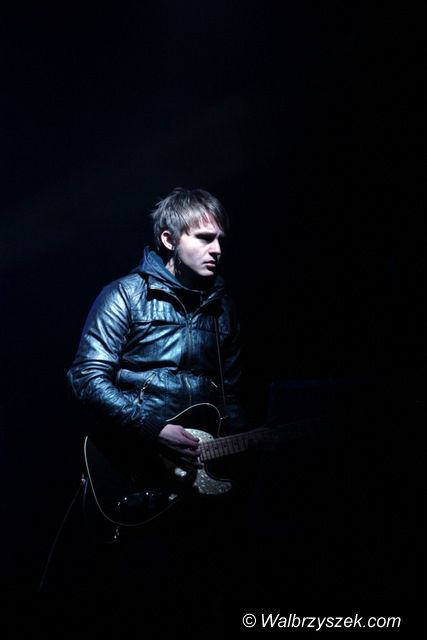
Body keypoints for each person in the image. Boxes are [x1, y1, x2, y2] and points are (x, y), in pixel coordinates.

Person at [49, 187, 250, 635]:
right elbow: (85, 378)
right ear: (168, 239)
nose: (217, 249)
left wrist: (242, 445)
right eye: (204, 238)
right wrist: (154, 429)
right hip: (134, 472)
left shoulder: (224, 310)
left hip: (200, 486)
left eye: (221, 239)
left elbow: (231, 397)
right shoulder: (125, 295)